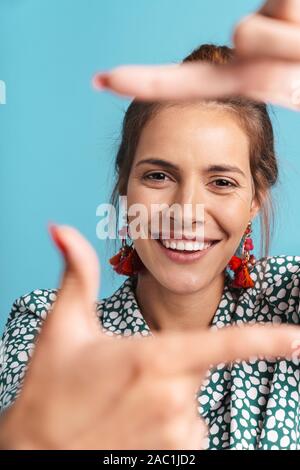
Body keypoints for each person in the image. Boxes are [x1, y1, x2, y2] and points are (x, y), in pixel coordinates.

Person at [1, 0, 300, 450]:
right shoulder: (51, 330)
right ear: (125, 187)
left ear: (255, 200)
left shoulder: (291, 305)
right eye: (158, 176)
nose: (186, 211)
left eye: (221, 181)